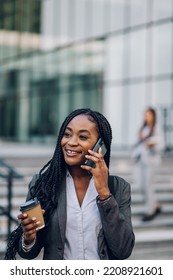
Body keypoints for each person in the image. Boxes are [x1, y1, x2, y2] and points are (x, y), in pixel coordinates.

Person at [5, 108, 135, 260]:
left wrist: (105, 194)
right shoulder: (44, 185)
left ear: (100, 146)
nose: (71, 142)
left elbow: (123, 251)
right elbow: (28, 252)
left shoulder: (118, 188)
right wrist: (29, 237)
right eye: (67, 134)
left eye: (83, 137)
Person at [133, 107, 164, 222]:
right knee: (141, 185)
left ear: (153, 116)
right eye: (145, 115)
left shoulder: (156, 129)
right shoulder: (143, 129)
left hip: (152, 161)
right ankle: (156, 206)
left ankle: (150, 211)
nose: (147, 117)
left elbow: (161, 145)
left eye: (149, 115)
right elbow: (138, 144)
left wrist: (152, 145)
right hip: (141, 161)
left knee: (148, 186)